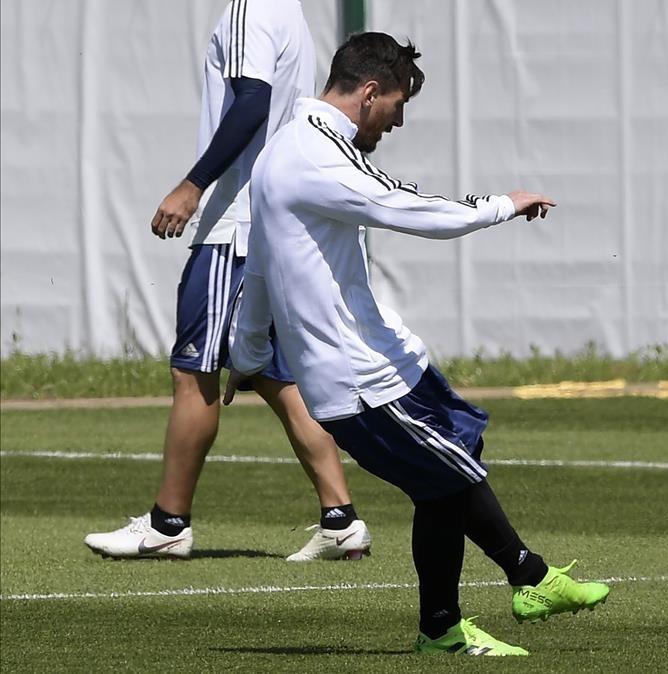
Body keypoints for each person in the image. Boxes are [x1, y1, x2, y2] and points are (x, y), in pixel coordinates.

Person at [223, 32, 610, 656]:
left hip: (391, 359)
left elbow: (262, 267)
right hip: (357, 379)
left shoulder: (287, 150)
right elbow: (410, 209)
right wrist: (502, 205)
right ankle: (461, 620)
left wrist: (246, 354)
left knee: (453, 466)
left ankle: (524, 583)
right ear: (370, 92)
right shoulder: (313, 156)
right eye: (398, 105)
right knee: (446, 480)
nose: (398, 121)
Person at [84, 0, 371, 562]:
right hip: (265, 219)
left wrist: (192, 186)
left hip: (234, 227)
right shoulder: (290, 13)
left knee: (194, 372)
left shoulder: (249, 9)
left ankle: (168, 524)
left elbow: (252, 102)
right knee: (267, 369)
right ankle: (340, 519)